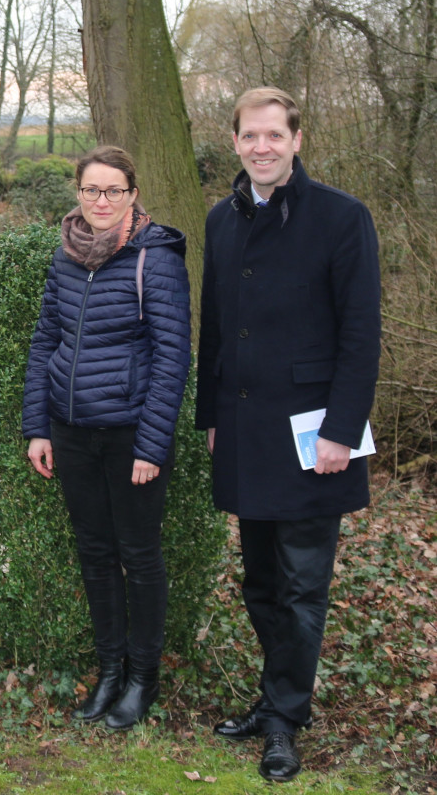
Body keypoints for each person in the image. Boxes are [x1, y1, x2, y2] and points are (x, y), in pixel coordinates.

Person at [197, 88, 380, 782]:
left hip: (313, 440)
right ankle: (277, 694)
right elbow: (215, 327)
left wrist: (341, 430)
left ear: (296, 139)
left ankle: (284, 719)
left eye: (275, 134)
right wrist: (210, 416)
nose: (262, 146)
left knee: (304, 586)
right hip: (245, 429)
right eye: (251, 135)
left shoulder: (341, 218)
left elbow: (362, 338)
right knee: (261, 583)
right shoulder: (222, 220)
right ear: (237, 141)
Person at [23, 145, 191, 730]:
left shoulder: (156, 257)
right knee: (95, 554)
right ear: (78, 194)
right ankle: (110, 672)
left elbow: (173, 357)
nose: (101, 201)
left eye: (113, 191)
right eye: (91, 190)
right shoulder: (67, 254)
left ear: (132, 195)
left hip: (129, 435)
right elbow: (46, 340)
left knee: (139, 557)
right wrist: (37, 427)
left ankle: (143, 679)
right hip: (71, 432)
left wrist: (152, 445)